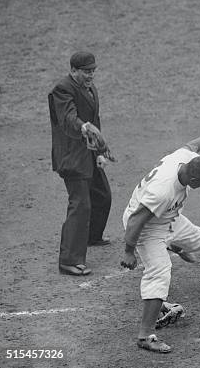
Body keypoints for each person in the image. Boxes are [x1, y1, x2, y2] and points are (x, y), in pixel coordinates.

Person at [119, 129, 200, 354]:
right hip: (146, 228)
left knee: (198, 239)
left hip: (168, 217)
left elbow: (196, 143)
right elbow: (136, 220)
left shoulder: (185, 159)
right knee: (159, 272)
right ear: (192, 179)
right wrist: (129, 251)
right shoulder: (163, 191)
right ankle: (145, 335)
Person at [49, 52, 113, 277]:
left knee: (102, 195)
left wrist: (100, 150)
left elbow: (95, 120)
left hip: (89, 152)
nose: (91, 75)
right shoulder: (62, 89)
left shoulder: (90, 88)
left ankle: (91, 237)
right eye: (86, 71)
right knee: (80, 204)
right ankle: (68, 260)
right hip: (72, 156)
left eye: (93, 70)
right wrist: (84, 127)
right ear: (74, 70)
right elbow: (68, 119)